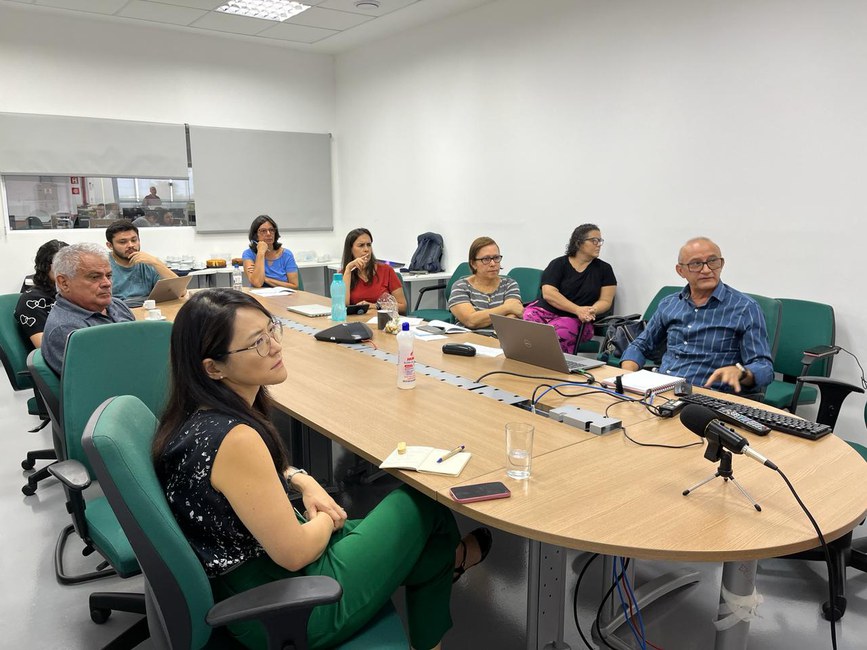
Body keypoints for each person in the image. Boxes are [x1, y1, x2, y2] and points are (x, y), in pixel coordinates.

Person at [152, 289, 491, 649]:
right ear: (213, 367)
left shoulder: (197, 417)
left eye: (272, 331)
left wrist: (301, 478)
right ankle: (446, 571)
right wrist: (329, 517)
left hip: (252, 576)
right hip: (286, 602)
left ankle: (445, 567)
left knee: (427, 535)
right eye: (257, 344)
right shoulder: (236, 438)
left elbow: (241, 477)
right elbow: (295, 552)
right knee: (425, 503)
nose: (276, 346)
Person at [620, 236, 774, 394]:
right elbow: (640, 345)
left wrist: (742, 373)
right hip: (662, 391)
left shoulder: (745, 308)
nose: (707, 270)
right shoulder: (669, 304)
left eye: (713, 261)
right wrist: (627, 375)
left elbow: (764, 367)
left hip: (708, 397)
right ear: (681, 271)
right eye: (696, 264)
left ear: (722, 264)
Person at [41, 243, 134, 374]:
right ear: (64, 283)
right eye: (95, 277)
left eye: (108, 275)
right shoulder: (66, 329)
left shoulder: (117, 305)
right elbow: (99, 380)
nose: (107, 283)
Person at [523, 224, 617, 353]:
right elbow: (549, 294)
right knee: (527, 323)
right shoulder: (558, 264)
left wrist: (591, 310)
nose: (599, 244)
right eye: (594, 240)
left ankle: (553, 368)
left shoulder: (605, 269)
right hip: (547, 310)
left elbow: (606, 301)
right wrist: (577, 309)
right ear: (579, 243)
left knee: (559, 331)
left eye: (600, 241)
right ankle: (523, 363)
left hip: (577, 319)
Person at [447, 236, 523, 329]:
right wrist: (506, 308)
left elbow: (511, 318)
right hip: (468, 339)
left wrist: (482, 317)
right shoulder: (461, 286)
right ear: (473, 264)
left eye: (496, 258)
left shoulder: (510, 285)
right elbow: (471, 321)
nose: (493, 264)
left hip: (498, 339)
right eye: (486, 259)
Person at [105, 219, 178, 307]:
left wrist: (156, 262)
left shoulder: (148, 262)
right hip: (117, 314)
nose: (130, 245)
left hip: (148, 313)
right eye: (123, 242)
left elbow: (180, 291)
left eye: (134, 240)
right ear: (110, 245)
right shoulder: (103, 265)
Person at [14, 239, 68, 349]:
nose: (67, 269)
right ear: (45, 266)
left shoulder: (72, 293)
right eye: (60, 264)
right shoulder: (32, 300)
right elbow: (47, 349)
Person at [340, 228, 406, 314]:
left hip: (383, 321)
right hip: (356, 322)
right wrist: (348, 270)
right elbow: (342, 305)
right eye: (361, 245)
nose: (366, 249)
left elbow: (403, 306)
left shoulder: (386, 270)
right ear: (351, 249)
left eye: (369, 245)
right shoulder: (344, 274)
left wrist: (374, 306)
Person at [242, 215, 299, 289]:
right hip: (259, 298)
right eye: (263, 231)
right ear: (256, 235)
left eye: (271, 230)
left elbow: (294, 286)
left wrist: (265, 279)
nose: (269, 234)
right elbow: (257, 283)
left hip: (283, 298)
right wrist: (261, 252)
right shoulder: (248, 254)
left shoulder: (286, 254)